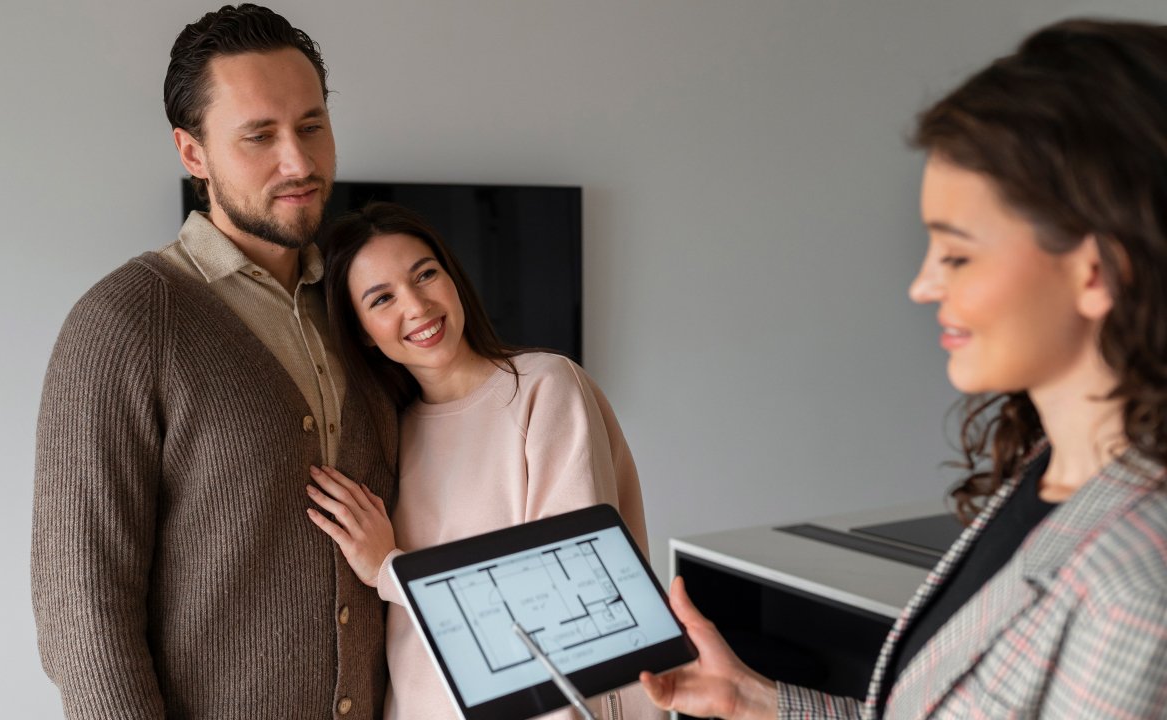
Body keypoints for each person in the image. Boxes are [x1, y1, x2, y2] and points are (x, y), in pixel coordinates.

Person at [639, 17, 1167, 720]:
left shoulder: (1138, 584)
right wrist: (753, 700)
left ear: (1099, 270)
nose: (921, 286)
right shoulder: (1050, 472)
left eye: (956, 255)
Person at [31, 5, 396, 718]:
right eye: (259, 136)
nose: (299, 162)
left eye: (312, 126)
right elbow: (82, 613)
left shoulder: (359, 307)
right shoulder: (126, 322)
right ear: (192, 153)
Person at [301, 201, 663, 719]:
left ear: (453, 277)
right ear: (361, 330)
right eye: (382, 298)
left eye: (425, 274)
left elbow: (571, 596)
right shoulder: (389, 434)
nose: (417, 306)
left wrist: (389, 568)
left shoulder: (547, 387)